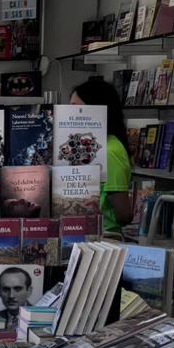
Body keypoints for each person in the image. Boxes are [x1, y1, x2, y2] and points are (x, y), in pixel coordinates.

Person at [70, 76, 133, 232]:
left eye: (75, 108)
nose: (69, 115)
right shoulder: (89, 146)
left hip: (105, 238)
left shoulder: (110, 151)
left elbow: (124, 215)